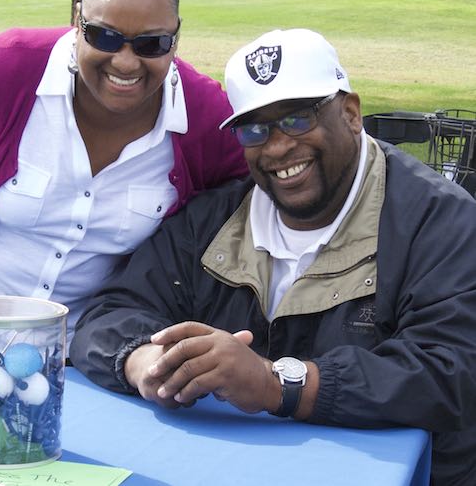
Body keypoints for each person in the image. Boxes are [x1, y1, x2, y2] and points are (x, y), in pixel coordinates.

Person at [70, 28, 476, 485]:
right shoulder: (213, 220)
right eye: (254, 129)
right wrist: (146, 362)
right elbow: (107, 315)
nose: (278, 146)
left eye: (299, 119)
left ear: (351, 112)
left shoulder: (439, 220)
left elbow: (450, 370)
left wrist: (279, 385)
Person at [0, 0, 247, 349]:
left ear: (176, 37)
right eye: (104, 36)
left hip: (80, 349)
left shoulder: (203, 117)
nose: (125, 62)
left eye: (151, 44)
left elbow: (262, 183)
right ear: (77, 21)